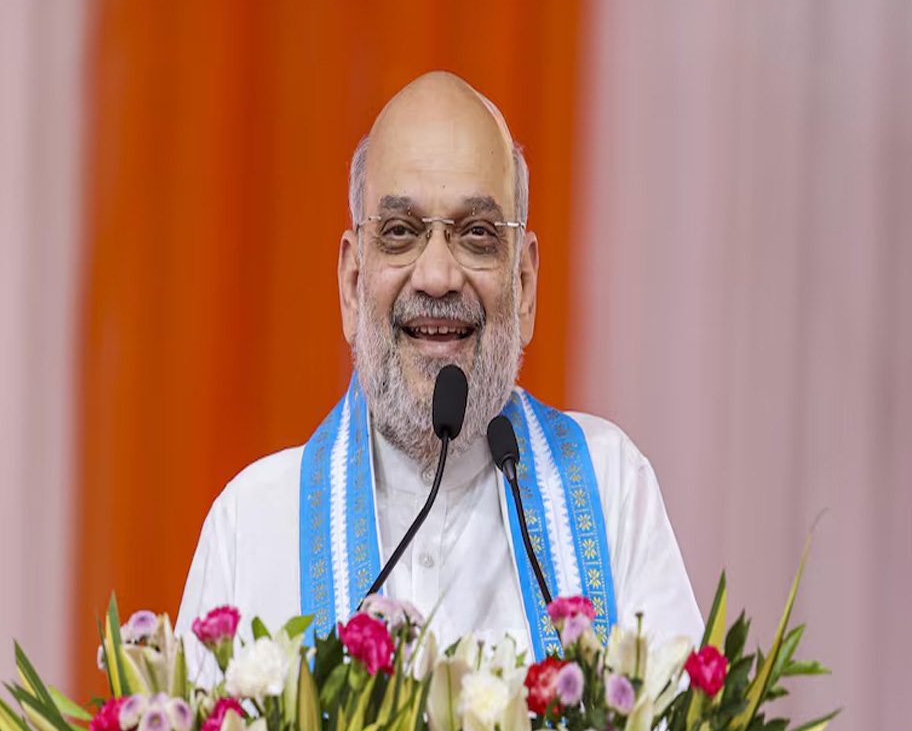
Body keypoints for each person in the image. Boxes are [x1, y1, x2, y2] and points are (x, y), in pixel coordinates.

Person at [174, 72, 701, 678]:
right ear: (352, 284)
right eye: (400, 233)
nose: (437, 276)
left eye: (476, 235)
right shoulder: (252, 525)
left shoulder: (612, 491)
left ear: (524, 286)